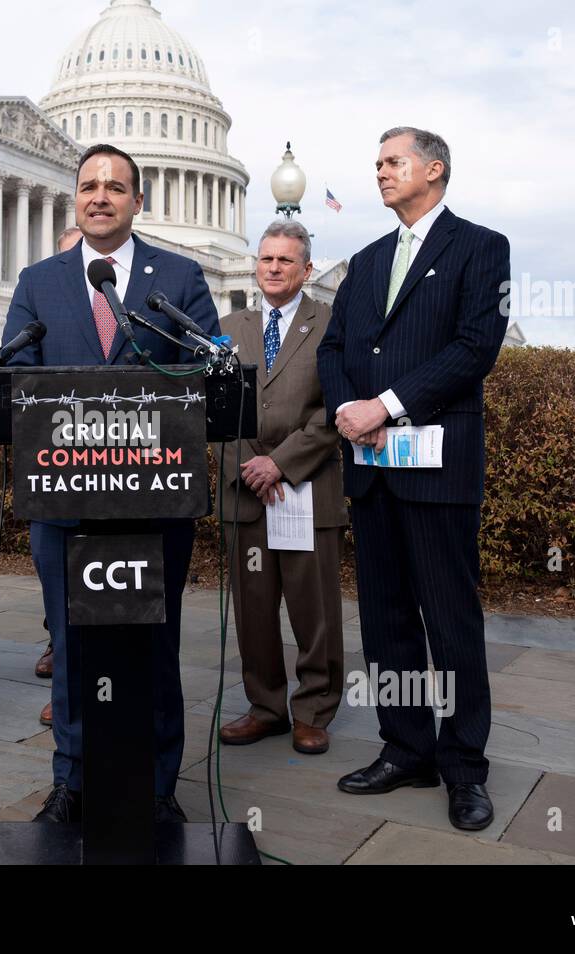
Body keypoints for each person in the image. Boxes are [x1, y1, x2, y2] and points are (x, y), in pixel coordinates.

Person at [2, 143, 221, 823]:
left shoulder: (178, 277)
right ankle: (72, 780)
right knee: (70, 646)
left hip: (155, 502)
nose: (100, 196)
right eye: (89, 185)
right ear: (77, 197)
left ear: (138, 201)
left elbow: (207, 370)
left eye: (115, 187)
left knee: (156, 646)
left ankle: (159, 786)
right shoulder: (40, 280)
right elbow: (16, 378)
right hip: (63, 501)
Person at [316, 127, 510, 831]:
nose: (379, 173)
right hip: (371, 472)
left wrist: (386, 406)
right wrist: (346, 408)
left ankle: (463, 767)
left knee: (450, 624)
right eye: (375, 164)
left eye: (392, 162)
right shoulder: (365, 261)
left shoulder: (481, 248)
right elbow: (335, 347)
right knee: (388, 623)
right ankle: (405, 748)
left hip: (437, 470)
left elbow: (474, 347)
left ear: (435, 169)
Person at [217, 220, 346, 756]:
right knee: (253, 608)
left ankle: (313, 710)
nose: (273, 268)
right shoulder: (226, 328)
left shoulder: (332, 326)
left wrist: (282, 463)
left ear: (306, 270)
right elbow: (213, 409)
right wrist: (252, 464)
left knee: (314, 609)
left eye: (285, 261)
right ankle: (265, 707)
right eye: (266, 258)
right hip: (245, 491)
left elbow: (336, 409)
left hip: (307, 490)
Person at [34, 226, 85, 722]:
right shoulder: (37, 286)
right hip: (58, 478)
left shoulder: (165, 283)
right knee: (64, 613)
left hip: (137, 485)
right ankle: (69, 705)